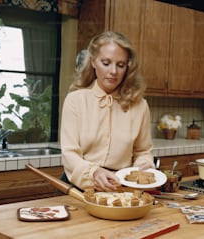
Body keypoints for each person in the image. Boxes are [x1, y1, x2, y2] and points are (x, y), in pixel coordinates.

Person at [60, 31, 155, 192]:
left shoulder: (140, 105)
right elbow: (70, 155)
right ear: (93, 62)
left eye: (120, 65)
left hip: (120, 187)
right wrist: (94, 173)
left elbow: (142, 151)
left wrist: (144, 164)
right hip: (78, 187)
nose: (113, 71)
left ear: (127, 67)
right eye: (106, 63)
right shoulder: (75, 100)